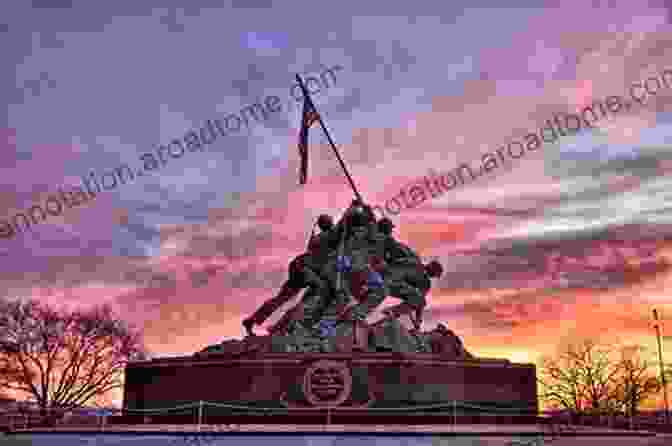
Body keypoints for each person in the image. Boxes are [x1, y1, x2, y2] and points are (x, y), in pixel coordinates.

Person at [242, 214, 334, 336]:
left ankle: (252, 320)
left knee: (281, 298)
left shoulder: (316, 238)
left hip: (297, 266)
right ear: (327, 224)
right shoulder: (328, 235)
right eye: (331, 222)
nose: (333, 224)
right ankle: (292, 323)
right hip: (305, 269)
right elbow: (344, 225)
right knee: (321, 289)